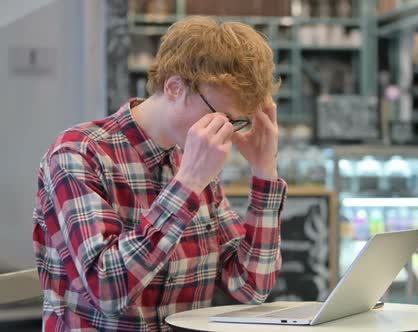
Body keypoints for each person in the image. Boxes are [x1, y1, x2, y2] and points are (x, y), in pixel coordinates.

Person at [32, 16, 287, 331]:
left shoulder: (190, 159)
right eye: (220, 117)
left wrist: (264, 172)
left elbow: (251, 286)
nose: (225, 134)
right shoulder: (78, 154)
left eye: (236, 122)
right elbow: (108, 289)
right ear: (174, 87)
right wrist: (187, 184)